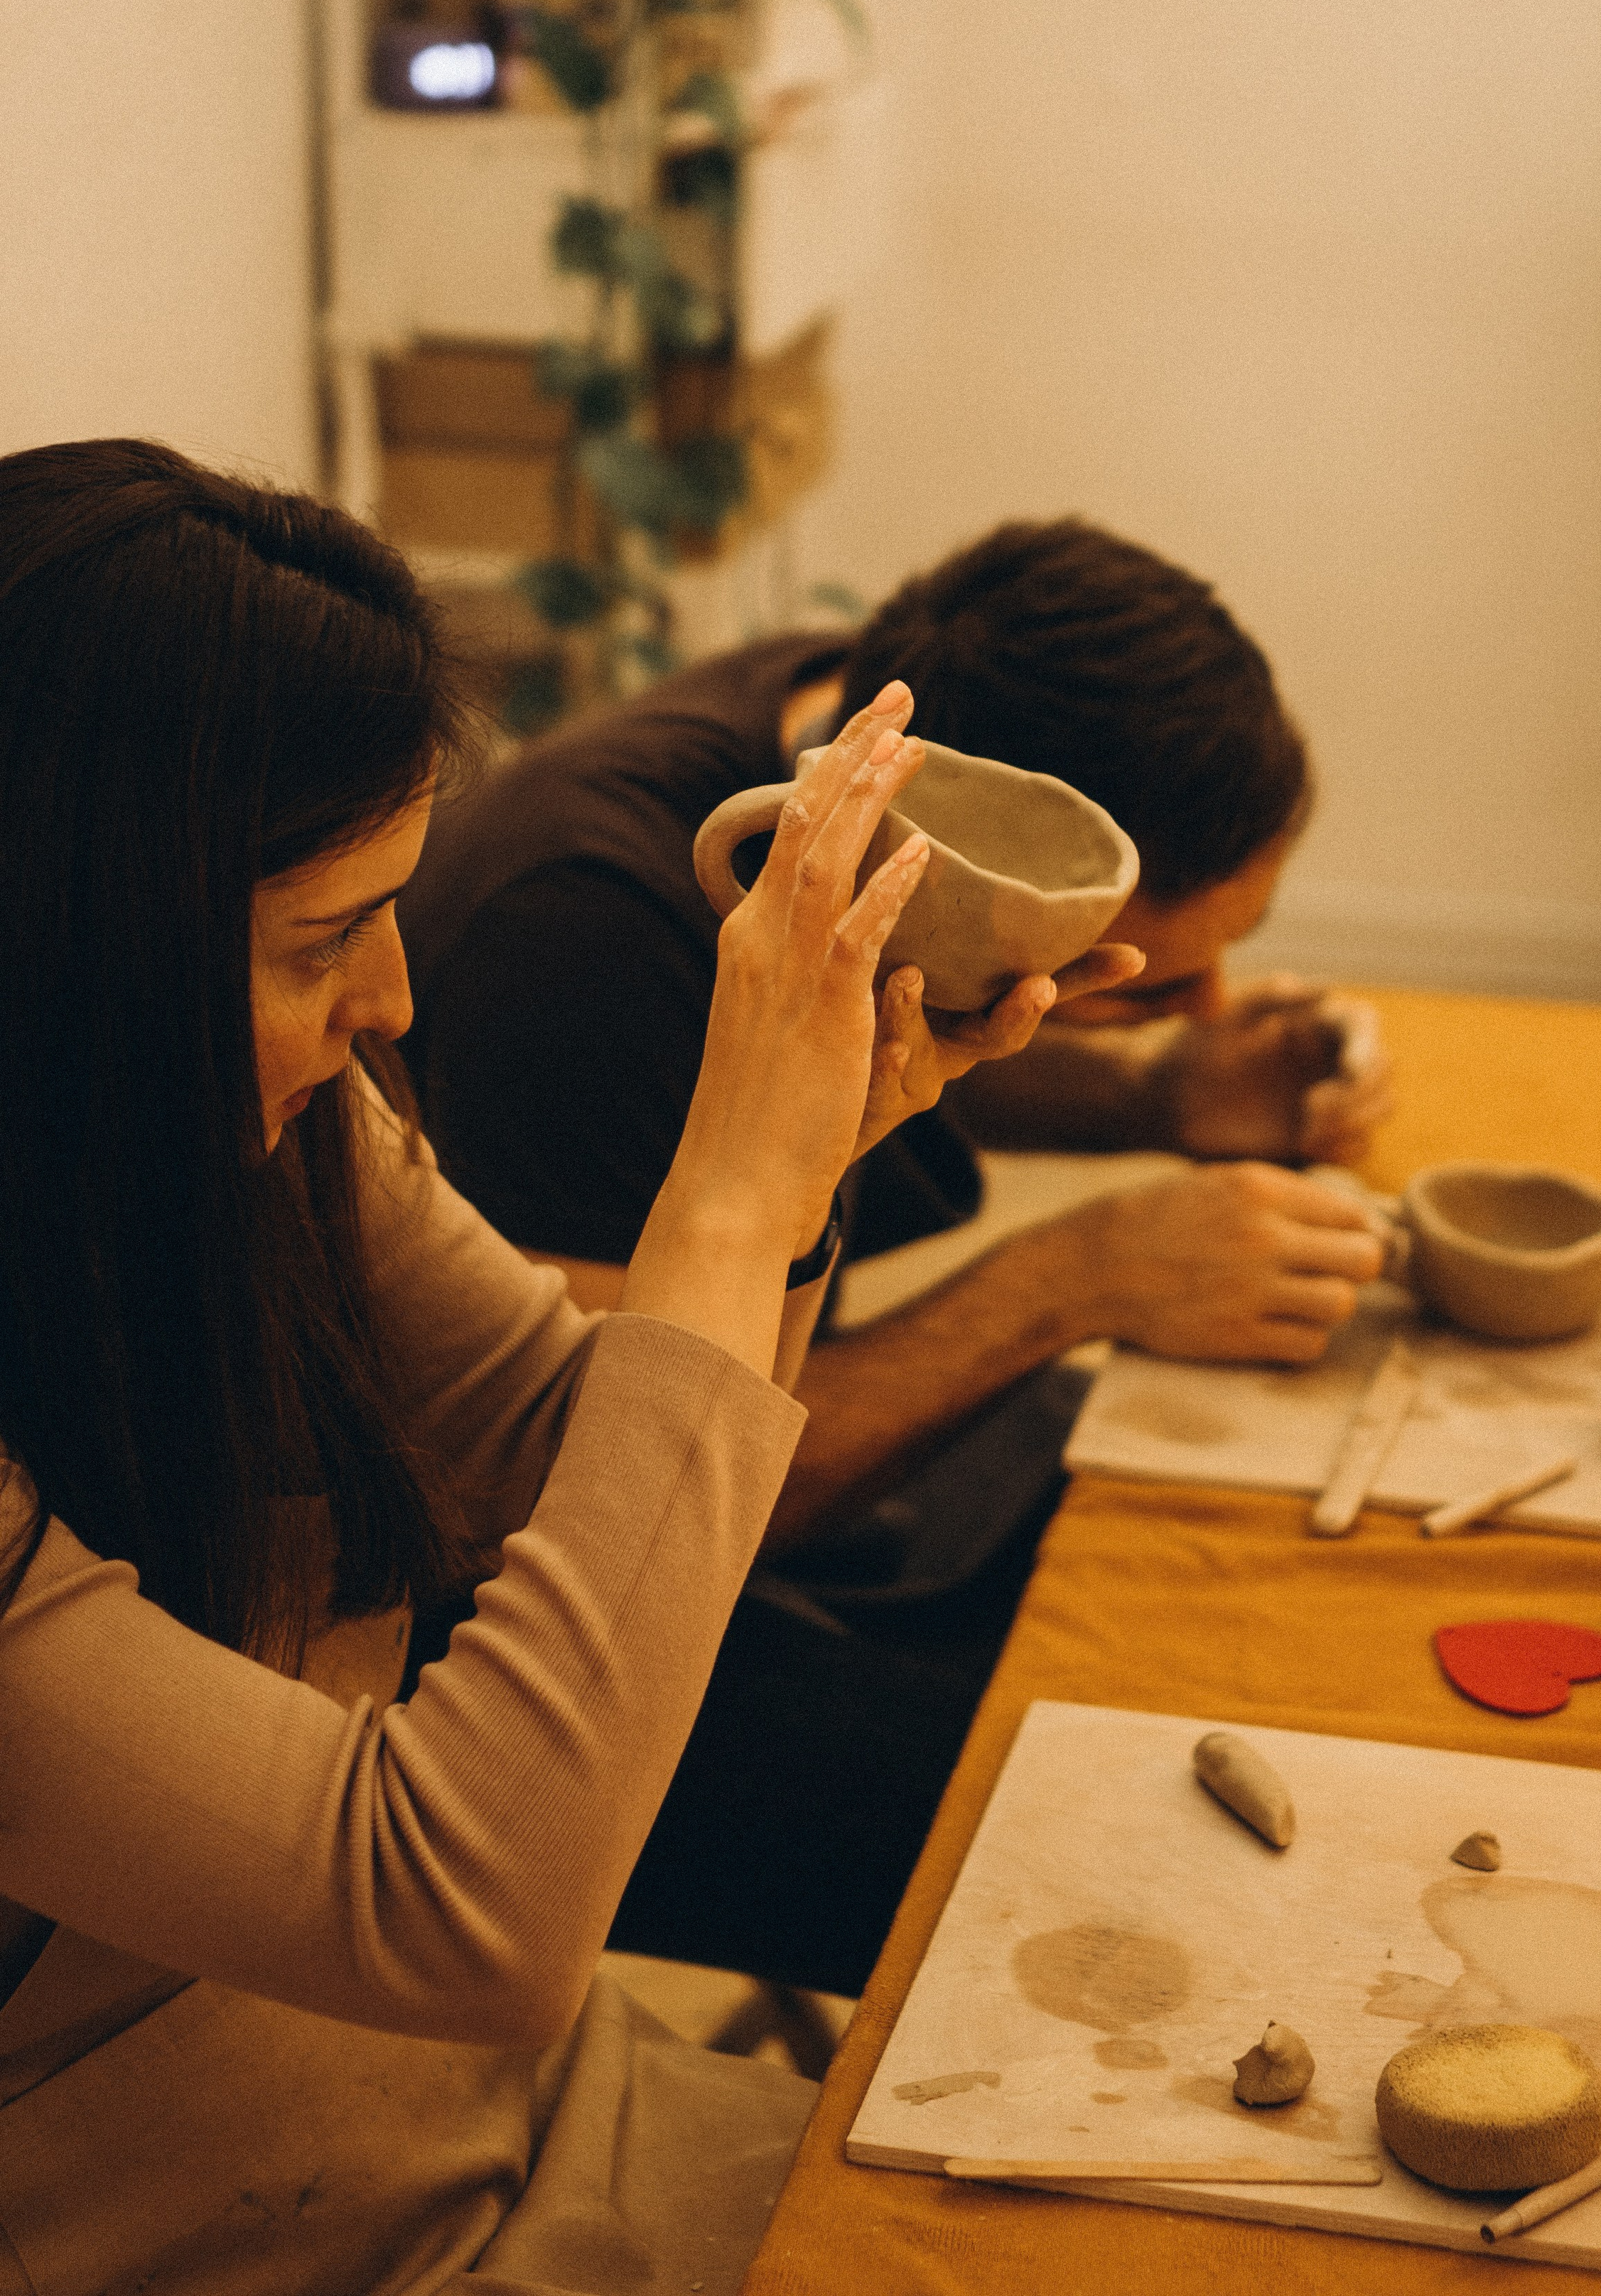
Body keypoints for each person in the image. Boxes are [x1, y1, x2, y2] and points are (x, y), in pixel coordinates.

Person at [0, 440, 1078, 2296]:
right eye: (321, 941)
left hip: (511, 2115)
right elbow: (460, 1905)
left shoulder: (277, 1137)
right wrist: (727, 1190)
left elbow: (578, 1462)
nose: (391, 1003)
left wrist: (797, 1173)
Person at [399, 520, 1394, 1993]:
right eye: (1158, 983)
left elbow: (917, 1014)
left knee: (1232, 1594)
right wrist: (1080, 1277)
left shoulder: (845, 717)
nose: (1208, 1006)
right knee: (1111, 1841)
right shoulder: (584, 935)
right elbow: (655, 1490)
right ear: (985, 872)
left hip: (721, 1475)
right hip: (525, 1636)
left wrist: (1162, 1094)